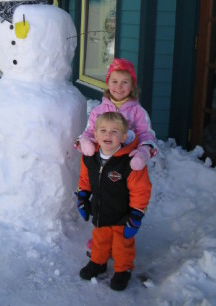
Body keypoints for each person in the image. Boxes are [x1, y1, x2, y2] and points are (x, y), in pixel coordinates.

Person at [75, 112, 152, 291]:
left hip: (122, 214)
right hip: (100, 211)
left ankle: (122, 269)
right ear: (95, 134)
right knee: (100, 239)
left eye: (114, 131)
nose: (108, 135)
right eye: (103, 130)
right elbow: (84, 179)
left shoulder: (129, 162)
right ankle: (98, 262)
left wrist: (136, 214)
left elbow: (141, 189)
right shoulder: (90, 157)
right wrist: (82, 197)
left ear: (124, 136)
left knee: (122, 244)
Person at [78, 58, 157, 170]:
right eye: (115, 82)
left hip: (128, 162)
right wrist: (86, 142)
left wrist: (144, 151)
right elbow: (91, 131)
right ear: (108, 84)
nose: (119, 87)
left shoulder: (138, 111)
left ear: (132, 86)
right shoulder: (98, 111)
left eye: (124, 82)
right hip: (103, 160)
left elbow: (146, 134)